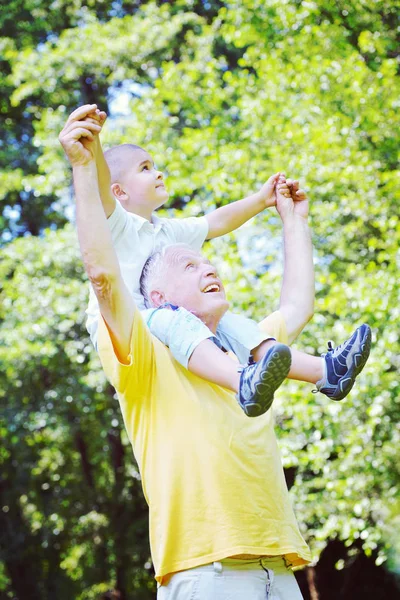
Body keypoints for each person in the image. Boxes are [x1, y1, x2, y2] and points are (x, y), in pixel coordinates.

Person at [59, 107, 369, 599]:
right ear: (159, 292)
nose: (208, 268)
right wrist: (85, 160)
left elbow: (297, 305)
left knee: (254, 346)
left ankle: (327, 373)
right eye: (189, 265)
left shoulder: (244, 350)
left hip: (281, 568)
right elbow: (102, 270)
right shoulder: (147, 352)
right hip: (208, 572)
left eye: (206, 262)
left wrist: (292, 217)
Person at [72, 105, 370, 417]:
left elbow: (215, 222)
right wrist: (93, 149)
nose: (158, 172)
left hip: (167, 322)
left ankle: (326, 371)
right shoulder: (118, 225)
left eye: (155, 165)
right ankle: (240, 380)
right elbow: (98, 192)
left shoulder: (167, 231)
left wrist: (260, 200)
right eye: (145, 169)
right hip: (127, 332)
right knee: (172, 318)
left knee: (228, 322)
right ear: (119, 191)